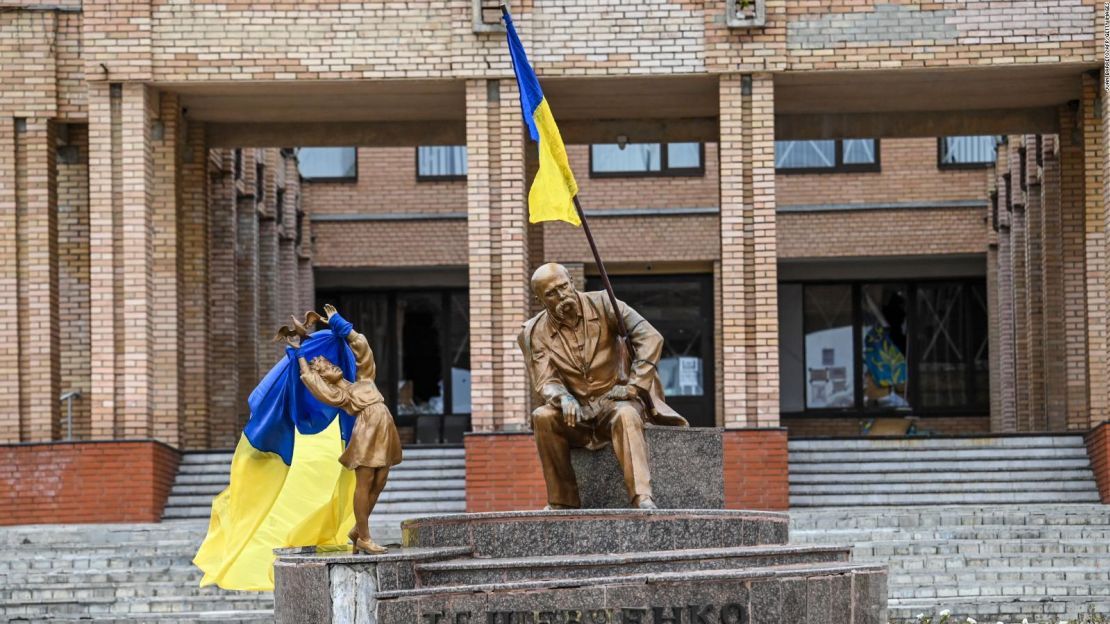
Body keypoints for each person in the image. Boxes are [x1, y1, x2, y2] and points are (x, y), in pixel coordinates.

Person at [518, 263, 687, 510]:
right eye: (552, 293)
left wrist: (635, 386)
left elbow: (650, 337)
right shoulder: (533, 332)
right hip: (576, 413)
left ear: (572, 281)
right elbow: (545, 380)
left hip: (614, 402)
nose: (562, 296)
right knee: (541, 416)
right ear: (539, 299)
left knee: (627, 414)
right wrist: (563, 398)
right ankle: (562, 500)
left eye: (563, 287)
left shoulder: (605, 303)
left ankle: (642, 497)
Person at [281, 304, 402, 554]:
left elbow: (363, 348)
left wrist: (340, 324)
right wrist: (301, 356)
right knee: (365, 483)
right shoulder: (340, 395)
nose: (331, 366)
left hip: (385, 429)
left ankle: (357, 531)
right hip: (367, 432)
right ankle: (365, 537)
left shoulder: (363, 380)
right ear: (323, 376)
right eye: (324, 367)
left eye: (329, 362)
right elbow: (313, 384)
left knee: (380, 482)